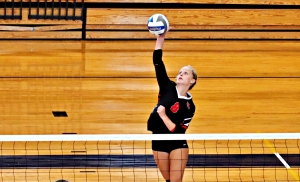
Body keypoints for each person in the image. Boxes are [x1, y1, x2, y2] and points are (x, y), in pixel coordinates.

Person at [147, 30, 197, 182]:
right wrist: (160, 37)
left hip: (177, 142)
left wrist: (163, 115)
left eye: (186, 73)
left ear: (192, 81)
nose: (181, 74)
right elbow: (157, 61)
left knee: (175, 181)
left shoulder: (190, 106)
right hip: (158, 138)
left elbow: (179, 131)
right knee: (169, 180)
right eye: (180, 72)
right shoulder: (167, 87)